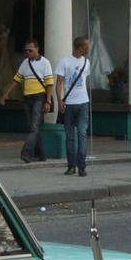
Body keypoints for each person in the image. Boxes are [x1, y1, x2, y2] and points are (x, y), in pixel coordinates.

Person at [0, 40, 54, 163]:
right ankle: (41, 155)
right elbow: (16, 80)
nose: (28, 52)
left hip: (40, 97)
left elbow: (49, 84)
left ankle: (26, 152)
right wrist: (6, 94)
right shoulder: (25, 63)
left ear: (37, 49)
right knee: (33, 127)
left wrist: (48, 101)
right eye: (26, 50)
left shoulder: (45, 63)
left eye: (30, 50)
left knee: (34, 127)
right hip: (27, 98)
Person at [53, 37, 95, 177]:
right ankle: (71, 165)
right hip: (69, 103)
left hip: (83, 102)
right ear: (79, 47)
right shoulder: (65, 62)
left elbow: (84, 81)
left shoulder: (86, 62)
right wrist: (59, 100)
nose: (88, 48)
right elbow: (59, 82)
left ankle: (81, 165)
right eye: (86, 46)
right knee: (70, 136)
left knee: (82, 134)